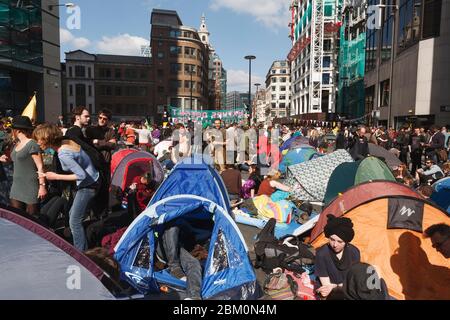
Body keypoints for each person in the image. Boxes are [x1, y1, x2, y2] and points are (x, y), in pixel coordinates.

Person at [33, 124, 100, 251]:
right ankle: (82, 246)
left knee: (74, 221)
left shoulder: (63, 153)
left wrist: (55, 176)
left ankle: (81, 254)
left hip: (89, 185)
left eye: (39, 139)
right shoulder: (65, 142)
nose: (37, 142)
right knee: (73, 216)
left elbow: (81, 175)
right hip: (92, 181)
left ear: (47, 139)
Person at [0, 116, 47, 216]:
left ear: (17, 130)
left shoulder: (32, 144)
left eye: (12, 129)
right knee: (17, 219)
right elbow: (18, 160)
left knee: (32, 219)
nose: (10, 132)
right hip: (16, 186)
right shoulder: (16, 144)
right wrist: (5, 158)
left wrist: (42, 186)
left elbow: (40, 166)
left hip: (31, 186)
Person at [315, 215, 361, 299]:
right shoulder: (321, 254)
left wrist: (335, 286)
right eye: (332, 239)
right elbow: (326, 285)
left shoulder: (354, 252)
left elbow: (354, 279)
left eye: (340, 241)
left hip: (346, 288)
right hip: (329, 288)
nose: (335, 245)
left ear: (346, 242)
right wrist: (333, 287)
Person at [157, 221, 203, 300]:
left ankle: (194, 296)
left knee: (194, 263)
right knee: (172, 226)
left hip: (179, 245)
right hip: (161, 244)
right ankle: (175, 268)